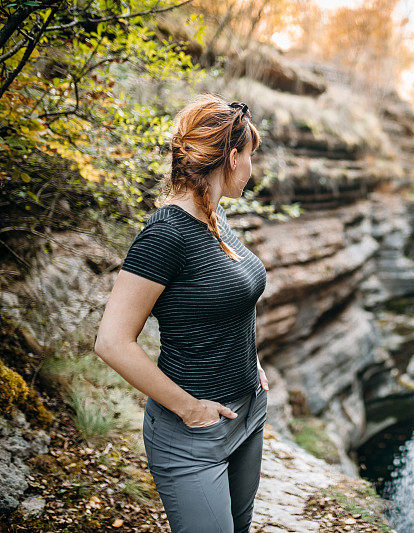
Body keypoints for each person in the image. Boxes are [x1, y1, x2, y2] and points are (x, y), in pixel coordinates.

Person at [94, 93, 270, 533]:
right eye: (250, 157)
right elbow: (112, 342)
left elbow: (231, 302)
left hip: (248, 413)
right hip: (193, 434)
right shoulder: (164, 234)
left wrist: (254, 365)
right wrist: (190, 409)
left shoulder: (215, 217)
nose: (251, 168)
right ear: (232, 157)